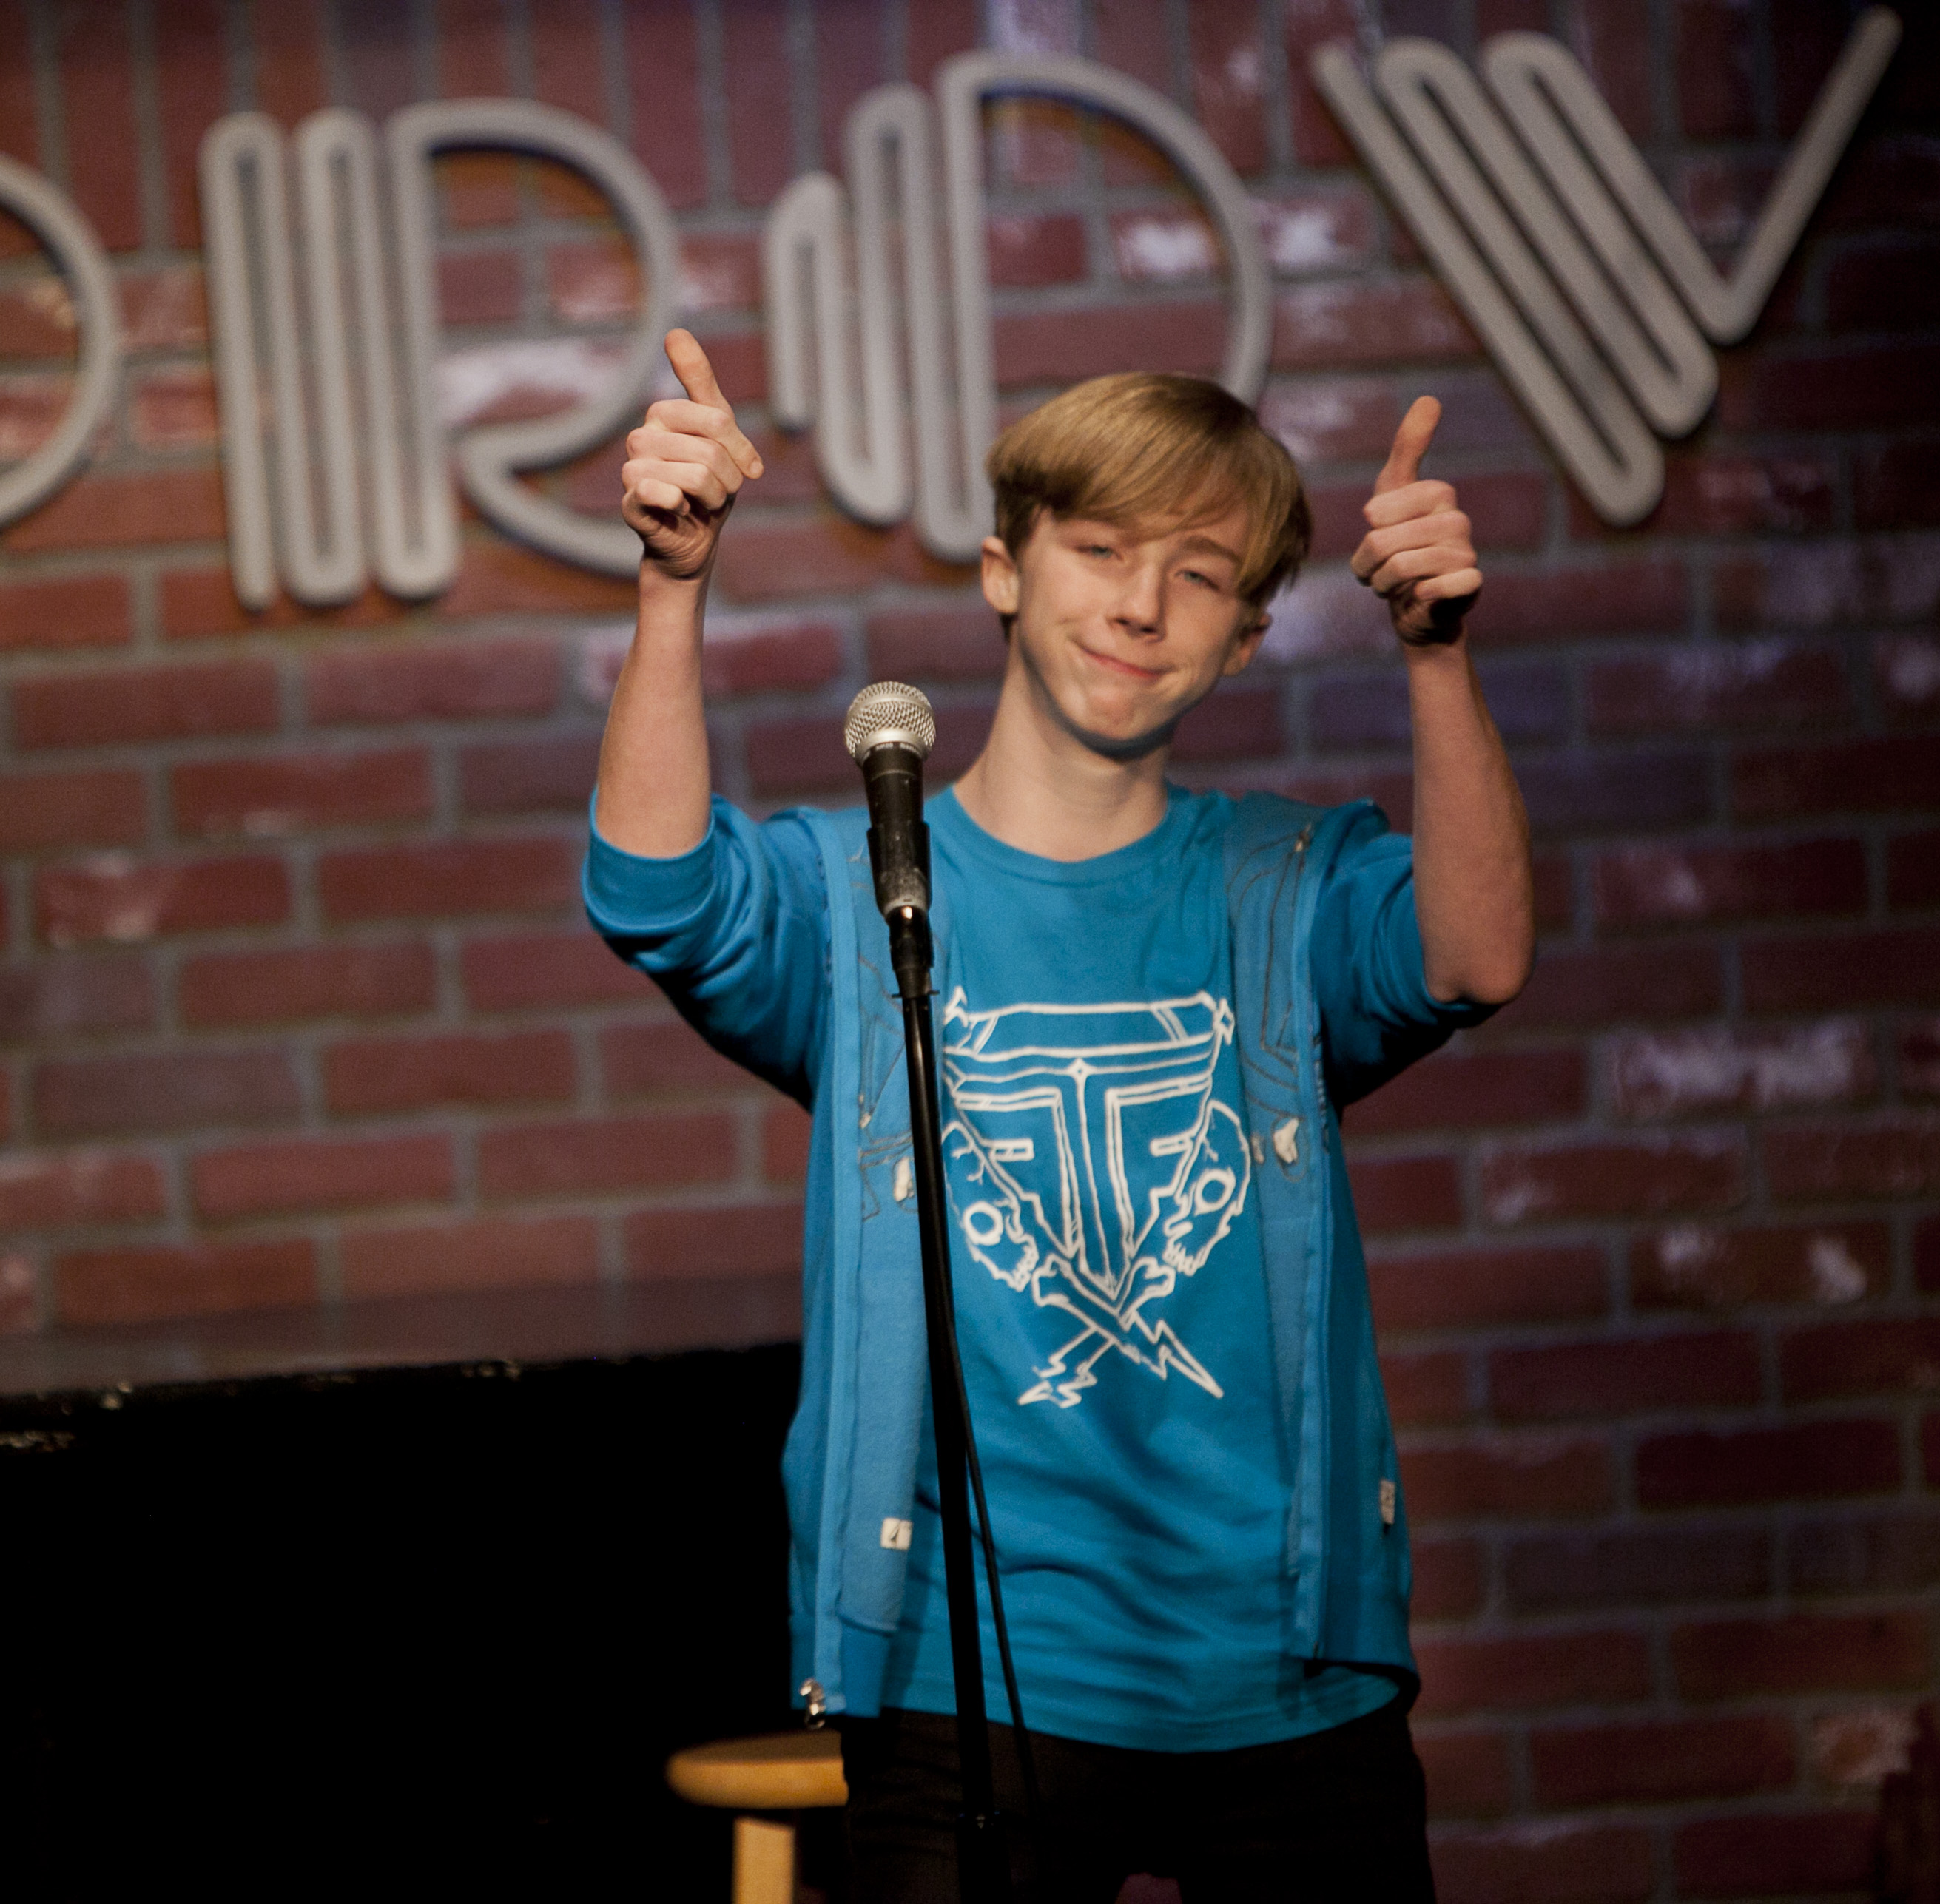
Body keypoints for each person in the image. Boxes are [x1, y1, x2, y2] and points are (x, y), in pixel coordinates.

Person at [585, 330, 1533, 1903]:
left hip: (1286, 1673)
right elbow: (655, 892)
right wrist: (671, 583)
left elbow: (1474, 951)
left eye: (1200, 573)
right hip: (968, 1680)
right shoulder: (858, 891)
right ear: (1001, 572)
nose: (1140, 605)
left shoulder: (1277, 888)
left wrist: (1434, 655)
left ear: (1241, 638)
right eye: (1095, 550)